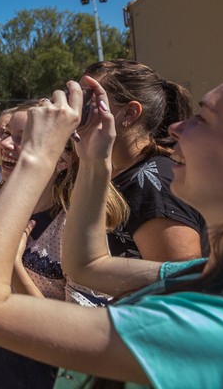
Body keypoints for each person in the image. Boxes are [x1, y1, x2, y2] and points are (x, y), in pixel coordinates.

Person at [0, 67, 223, 388]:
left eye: (205, 119)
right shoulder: (211, 277)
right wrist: (94, 159)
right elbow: (89, 266)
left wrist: (38, 156)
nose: (176, 127)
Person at [0, 104, 128, 389]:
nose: (5, 144)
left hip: (54, 377)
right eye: (7, 134)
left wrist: (13, 268)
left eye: (24, 139)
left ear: (62, 160)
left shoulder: (77, 226)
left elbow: (75, 338)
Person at [83, 60, 205, 263]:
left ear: (129, 113)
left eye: (88, 99)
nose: (75, 109)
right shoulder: (114, 172)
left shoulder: (154, 185)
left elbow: (178, 278)